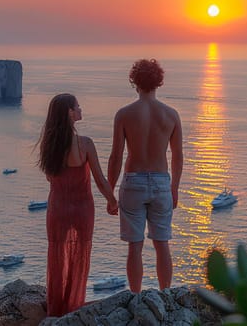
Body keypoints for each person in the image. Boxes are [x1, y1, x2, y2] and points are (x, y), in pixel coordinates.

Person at [37, 93, 118, 316]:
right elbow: (100, 181)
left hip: (57, 208)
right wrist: (113, 202)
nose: (81, 109)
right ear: (70, 113)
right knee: (79, 255)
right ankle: (73, 306)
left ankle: (55, 310)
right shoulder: (85, 144)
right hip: (83, 208)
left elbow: (50, 177)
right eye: (77, 107)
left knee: (56, 255)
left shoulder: (49, 145)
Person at [107, 59, 183, 293]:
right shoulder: (171, 115)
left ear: (134, 82)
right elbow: (178, 156)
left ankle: (137, 296)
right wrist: (174, 187)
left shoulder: (124, 114)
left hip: (133, 182)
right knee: (162, 244)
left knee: (135, 246)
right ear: (158, 82)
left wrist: (110, 192)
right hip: (161, 182)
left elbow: (116, 156)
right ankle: (166, 294)